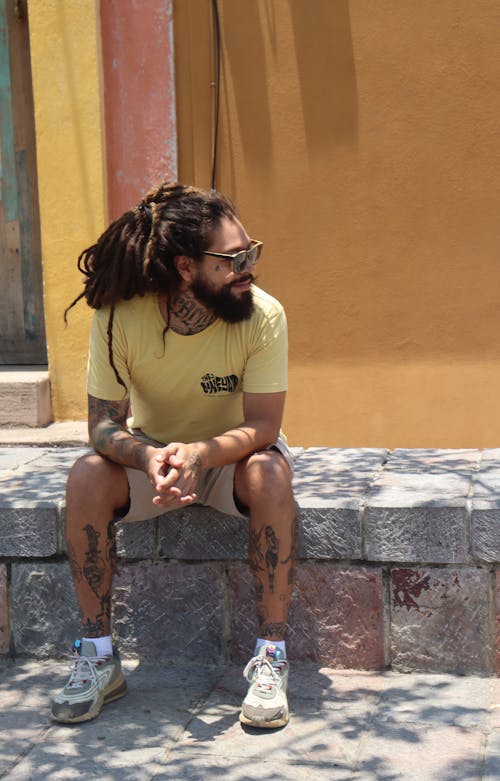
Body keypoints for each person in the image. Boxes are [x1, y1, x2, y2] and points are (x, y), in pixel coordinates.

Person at [51, 182, 298, 729]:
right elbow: (102, 425)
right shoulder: (119, 317)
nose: (248, 267)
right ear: (185, 266)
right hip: (154, 461)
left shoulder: (263, 314)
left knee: (273, 475)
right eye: (233, 258)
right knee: (87, 475)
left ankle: (272, 658)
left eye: (251, 251)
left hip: (230, 458)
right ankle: (97, 658)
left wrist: (198, 455)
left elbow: (263, 425)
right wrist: (149, 459)